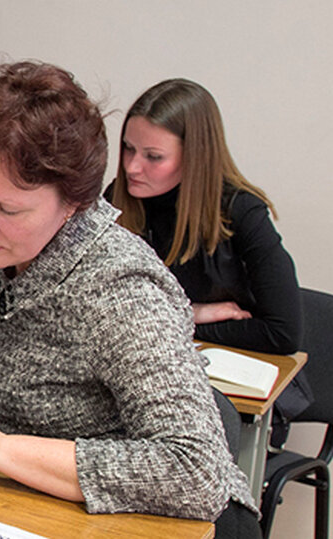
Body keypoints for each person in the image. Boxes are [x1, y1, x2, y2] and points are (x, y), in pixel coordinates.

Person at [0, 62, 258, 535]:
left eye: (7, 208)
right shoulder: (11, 246)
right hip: (28, 504)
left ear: (74, 201)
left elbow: (195, 470)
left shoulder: (121, 290)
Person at [107, 78, 301, 355]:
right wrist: (193, 313)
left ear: (194, 157)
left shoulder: (242, 211)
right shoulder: (116, 199)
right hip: (150, 358)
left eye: (154, 156)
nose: (132, 167)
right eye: (128, 148)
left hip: (239, 375)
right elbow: (98, 306)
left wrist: (176, 321)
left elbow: (282, 334)